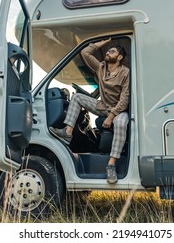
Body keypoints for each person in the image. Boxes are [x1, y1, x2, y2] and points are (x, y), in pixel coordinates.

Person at [49, 38, 129, 184]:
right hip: (103, 106)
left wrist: (111, 116)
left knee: (122, 123)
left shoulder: (125, 72)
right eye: (108, 50)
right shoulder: (101, 68)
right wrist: (103, 42)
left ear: (119, 57)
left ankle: (111, 165)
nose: (108, 53)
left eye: (112, 51)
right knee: (78, 97)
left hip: (118, 110)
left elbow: (124, 99)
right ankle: (67, 133)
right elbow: (85, 53)